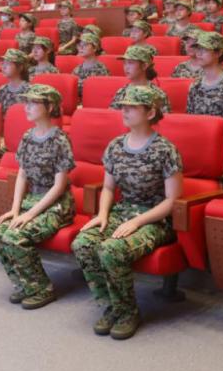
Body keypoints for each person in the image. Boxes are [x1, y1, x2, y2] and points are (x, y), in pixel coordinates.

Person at [71, 85, 183, 340]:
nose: (124, 111)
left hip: (155, 219)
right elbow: (108, 188)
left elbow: (172, 200)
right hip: (122, 212)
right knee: (83, 244)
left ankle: (128, 312)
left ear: (150, 112)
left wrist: (138, 222)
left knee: (111, 249)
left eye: (131, 107)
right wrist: (102, 214)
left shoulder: (165, 149)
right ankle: (111, 305)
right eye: (123, 106)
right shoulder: (115, 146)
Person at [0, 84, 76, 309]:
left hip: (56, 204)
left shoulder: (60, 139)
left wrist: (30, 214)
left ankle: (42, 288)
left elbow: (59, 186)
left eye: (34, 102)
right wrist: (15, 209)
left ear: (50, 107)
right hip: (31, 200)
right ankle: (25, 284)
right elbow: (22, 174)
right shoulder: (28, 136)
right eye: (26, 102)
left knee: (14, 237)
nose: (27, 107)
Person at [185, 31, 223, 181]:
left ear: (218, 53)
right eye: (198, 49)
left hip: (222, 152)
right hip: (198, 148)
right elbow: (190, 124)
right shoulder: (195, 85)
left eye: (204, 49)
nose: (199, 53)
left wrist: (205, 150)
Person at [110, 45, 170, 112]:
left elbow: (164, 118)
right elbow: (112, 116)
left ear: (144, 66)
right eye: (124, 63)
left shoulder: (158, 95)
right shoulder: (122, 92)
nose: (126, 67)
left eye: (130, 63)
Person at [72, 33, 109, 98]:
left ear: (95, 48)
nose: (81, 48)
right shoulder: (76, 69)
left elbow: (102, 93)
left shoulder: (102, 70)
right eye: (79, 45)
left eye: (85, 44)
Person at [0, 49, 31, 116]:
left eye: (8, 64)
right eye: (3, 63)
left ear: (20, 67)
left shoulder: (29, 91)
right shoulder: (2, 90)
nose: (3, 67)